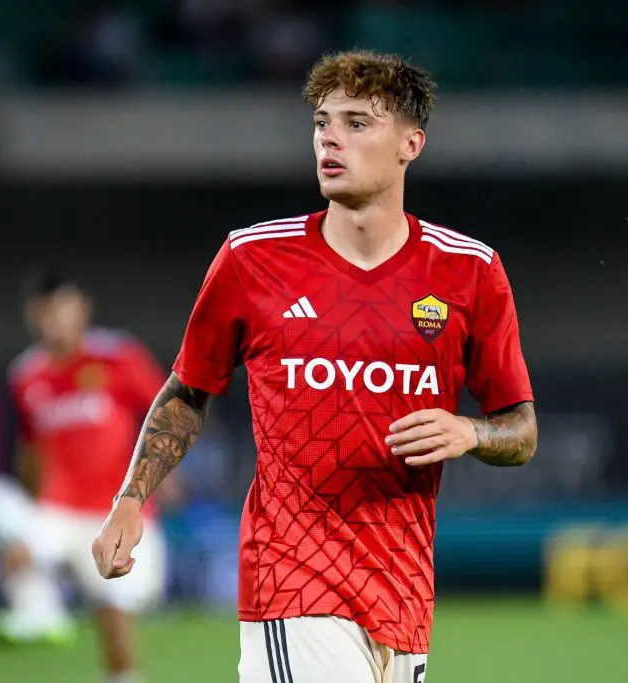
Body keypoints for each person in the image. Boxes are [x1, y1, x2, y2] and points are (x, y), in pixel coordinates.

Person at [92, 50, 539, 683]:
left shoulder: (469, 271)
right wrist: (131, 499)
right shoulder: (251, 260)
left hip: (404, 590)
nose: (330, 138)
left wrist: (470, 432)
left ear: (411, 144)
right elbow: (188, 392)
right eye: (322, 123)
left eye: (357, 123)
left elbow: (521, 430)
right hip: (291, 580)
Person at [0, 269, 172, 683]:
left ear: (83, 309)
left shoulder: (118, 356)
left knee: (114, 602)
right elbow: (30, 451)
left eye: (63, 308)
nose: (54, 319)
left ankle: (123, 676)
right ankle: (40, 612)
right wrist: (22, 524)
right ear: (32, 315)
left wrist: (163, 473)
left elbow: (170, 412)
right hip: (56, 512)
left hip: (115, 511)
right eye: (45, 310)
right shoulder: (25, 374)